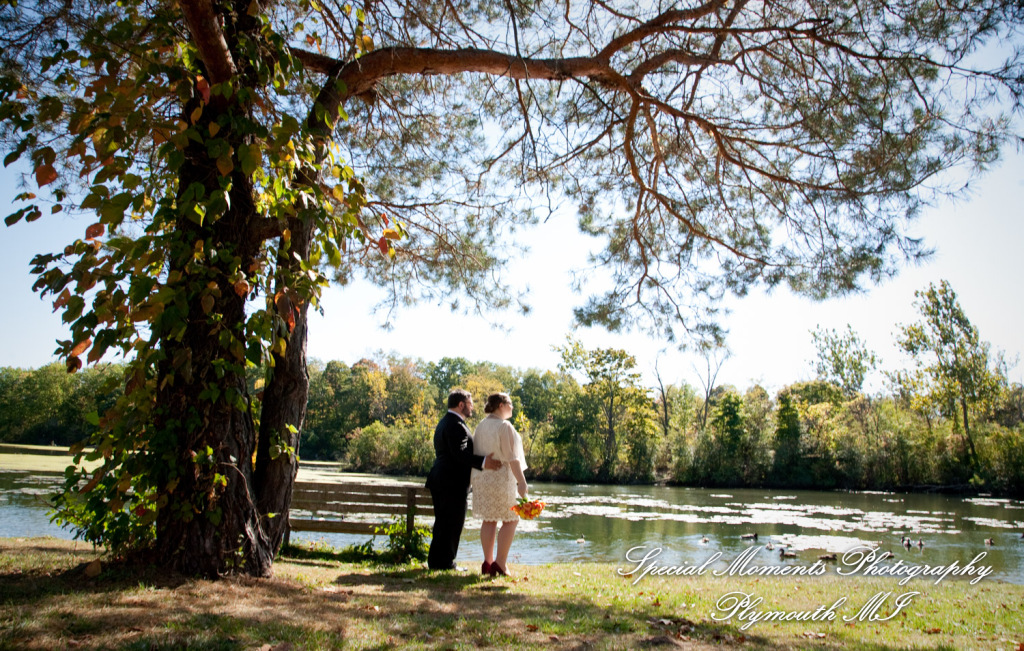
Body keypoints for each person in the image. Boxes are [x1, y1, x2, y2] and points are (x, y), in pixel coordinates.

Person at [425, 389, 501, 570]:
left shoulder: (445, 422)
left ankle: (437, 562)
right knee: (452, 523)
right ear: (461, 405)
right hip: (451, 482)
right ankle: (446, 563)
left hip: (441, 479)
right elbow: (459, 454)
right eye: (470, 403)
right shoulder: (455, 425)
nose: (472, 407)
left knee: (443, 523)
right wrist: (484, 462)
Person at [471, 392, 528, 576]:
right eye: (509, 403)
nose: (512, 407)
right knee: (511, 519)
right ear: (501, 405)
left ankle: (487, 563)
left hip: (483, 479)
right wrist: (522, 482)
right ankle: (501, 563)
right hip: (502, 479)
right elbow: (512, 458)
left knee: (489, 519)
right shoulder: (504, 426)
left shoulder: (481, 426)